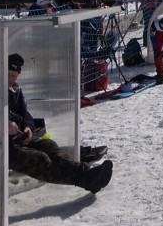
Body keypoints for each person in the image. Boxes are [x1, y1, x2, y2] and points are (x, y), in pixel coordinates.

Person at [7, 53, 113, 193]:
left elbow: (25, 114)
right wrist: (5, 122)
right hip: (1, 146)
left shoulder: (15, 89)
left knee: (49, 145)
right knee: (40, 158)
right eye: (8, 75)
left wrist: (28, 127)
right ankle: (85, 178)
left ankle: (86, 173)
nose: (11, 79)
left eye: (14, 76)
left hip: (19, 138)